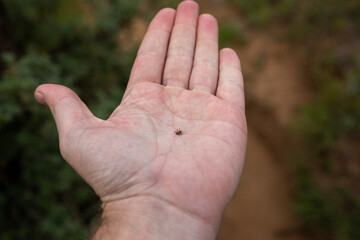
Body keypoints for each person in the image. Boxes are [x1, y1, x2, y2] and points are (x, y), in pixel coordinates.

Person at [34, 0, 247, 239]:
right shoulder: (177, 133)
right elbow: (178, 131)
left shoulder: (177, 131)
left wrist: (136, 206)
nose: (177, 132)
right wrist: (138, 202)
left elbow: (177, 131)